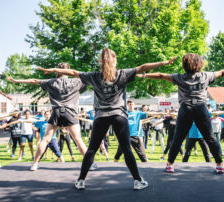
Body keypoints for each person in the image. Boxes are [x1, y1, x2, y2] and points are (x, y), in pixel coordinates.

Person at [39, 47, 177, 190]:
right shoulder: (122, 74)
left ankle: (81, 181)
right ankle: (137, 181)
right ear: (115, 60)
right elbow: (143, 67)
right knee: (126, 149)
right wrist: (164, 62)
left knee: (92, 149)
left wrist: (56, 70)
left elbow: (73, 73)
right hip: (119, 116)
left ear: (100, 62)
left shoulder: (94, 76)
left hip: (101, 117)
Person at [138, 53, 224, 174]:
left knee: (178, 138)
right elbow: (223, 72)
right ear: (200, 64)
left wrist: (143, 75)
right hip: (200, 108)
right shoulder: (206, 76)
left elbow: (161, 75)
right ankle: (219, 165)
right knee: (210, 137)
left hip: (185, 108)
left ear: (184, 65)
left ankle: (170, 165)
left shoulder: (180, 77)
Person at [7, 62, 98, 171]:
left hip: (56, 113)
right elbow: (88, 77)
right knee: (78, 139)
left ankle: (34, 164)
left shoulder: (51, 82)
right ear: (68, 71)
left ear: (58, 71)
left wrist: (17, 81)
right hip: (70, 113)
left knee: (45, 139)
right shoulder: (77, 81)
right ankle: (90, 164)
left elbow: (34, 81)